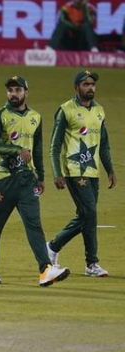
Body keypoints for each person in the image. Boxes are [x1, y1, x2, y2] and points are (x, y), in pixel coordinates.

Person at [0, 76, 70, 287]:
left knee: (34, 225)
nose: (13, 94)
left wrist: (41, 176)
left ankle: (45, 270)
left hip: (27, 181)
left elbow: (37, 149)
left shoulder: (35, 117)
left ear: (26, 93)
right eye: (10, 90)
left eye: (18, 90)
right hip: (4, 180)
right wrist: (16, 149)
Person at [46, 70, 116, 277]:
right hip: (74, 170)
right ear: (76, 88)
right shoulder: (66, 111)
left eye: (92, 84)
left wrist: (110, 169)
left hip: (92, 171)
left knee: (87, 216)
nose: (90, 88)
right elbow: (54, 145)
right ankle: (62, 250)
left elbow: (103, 144)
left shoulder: (99, 111)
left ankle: (85, 262)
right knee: (90, 214)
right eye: (85, 84)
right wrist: (57, 173)